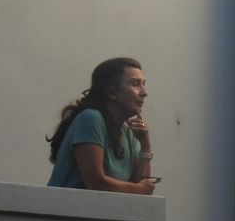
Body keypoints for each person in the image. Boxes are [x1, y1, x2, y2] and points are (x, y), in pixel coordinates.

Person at [47, 57, 156, 194]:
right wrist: (140, 189)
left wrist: (145, 146)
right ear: (111, 92)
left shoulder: (128, 132)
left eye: (143, 84)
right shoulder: (91, 118)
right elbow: (95, 182)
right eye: (135, 84)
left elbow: (139, 188)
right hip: (65, 206)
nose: (144, 93)